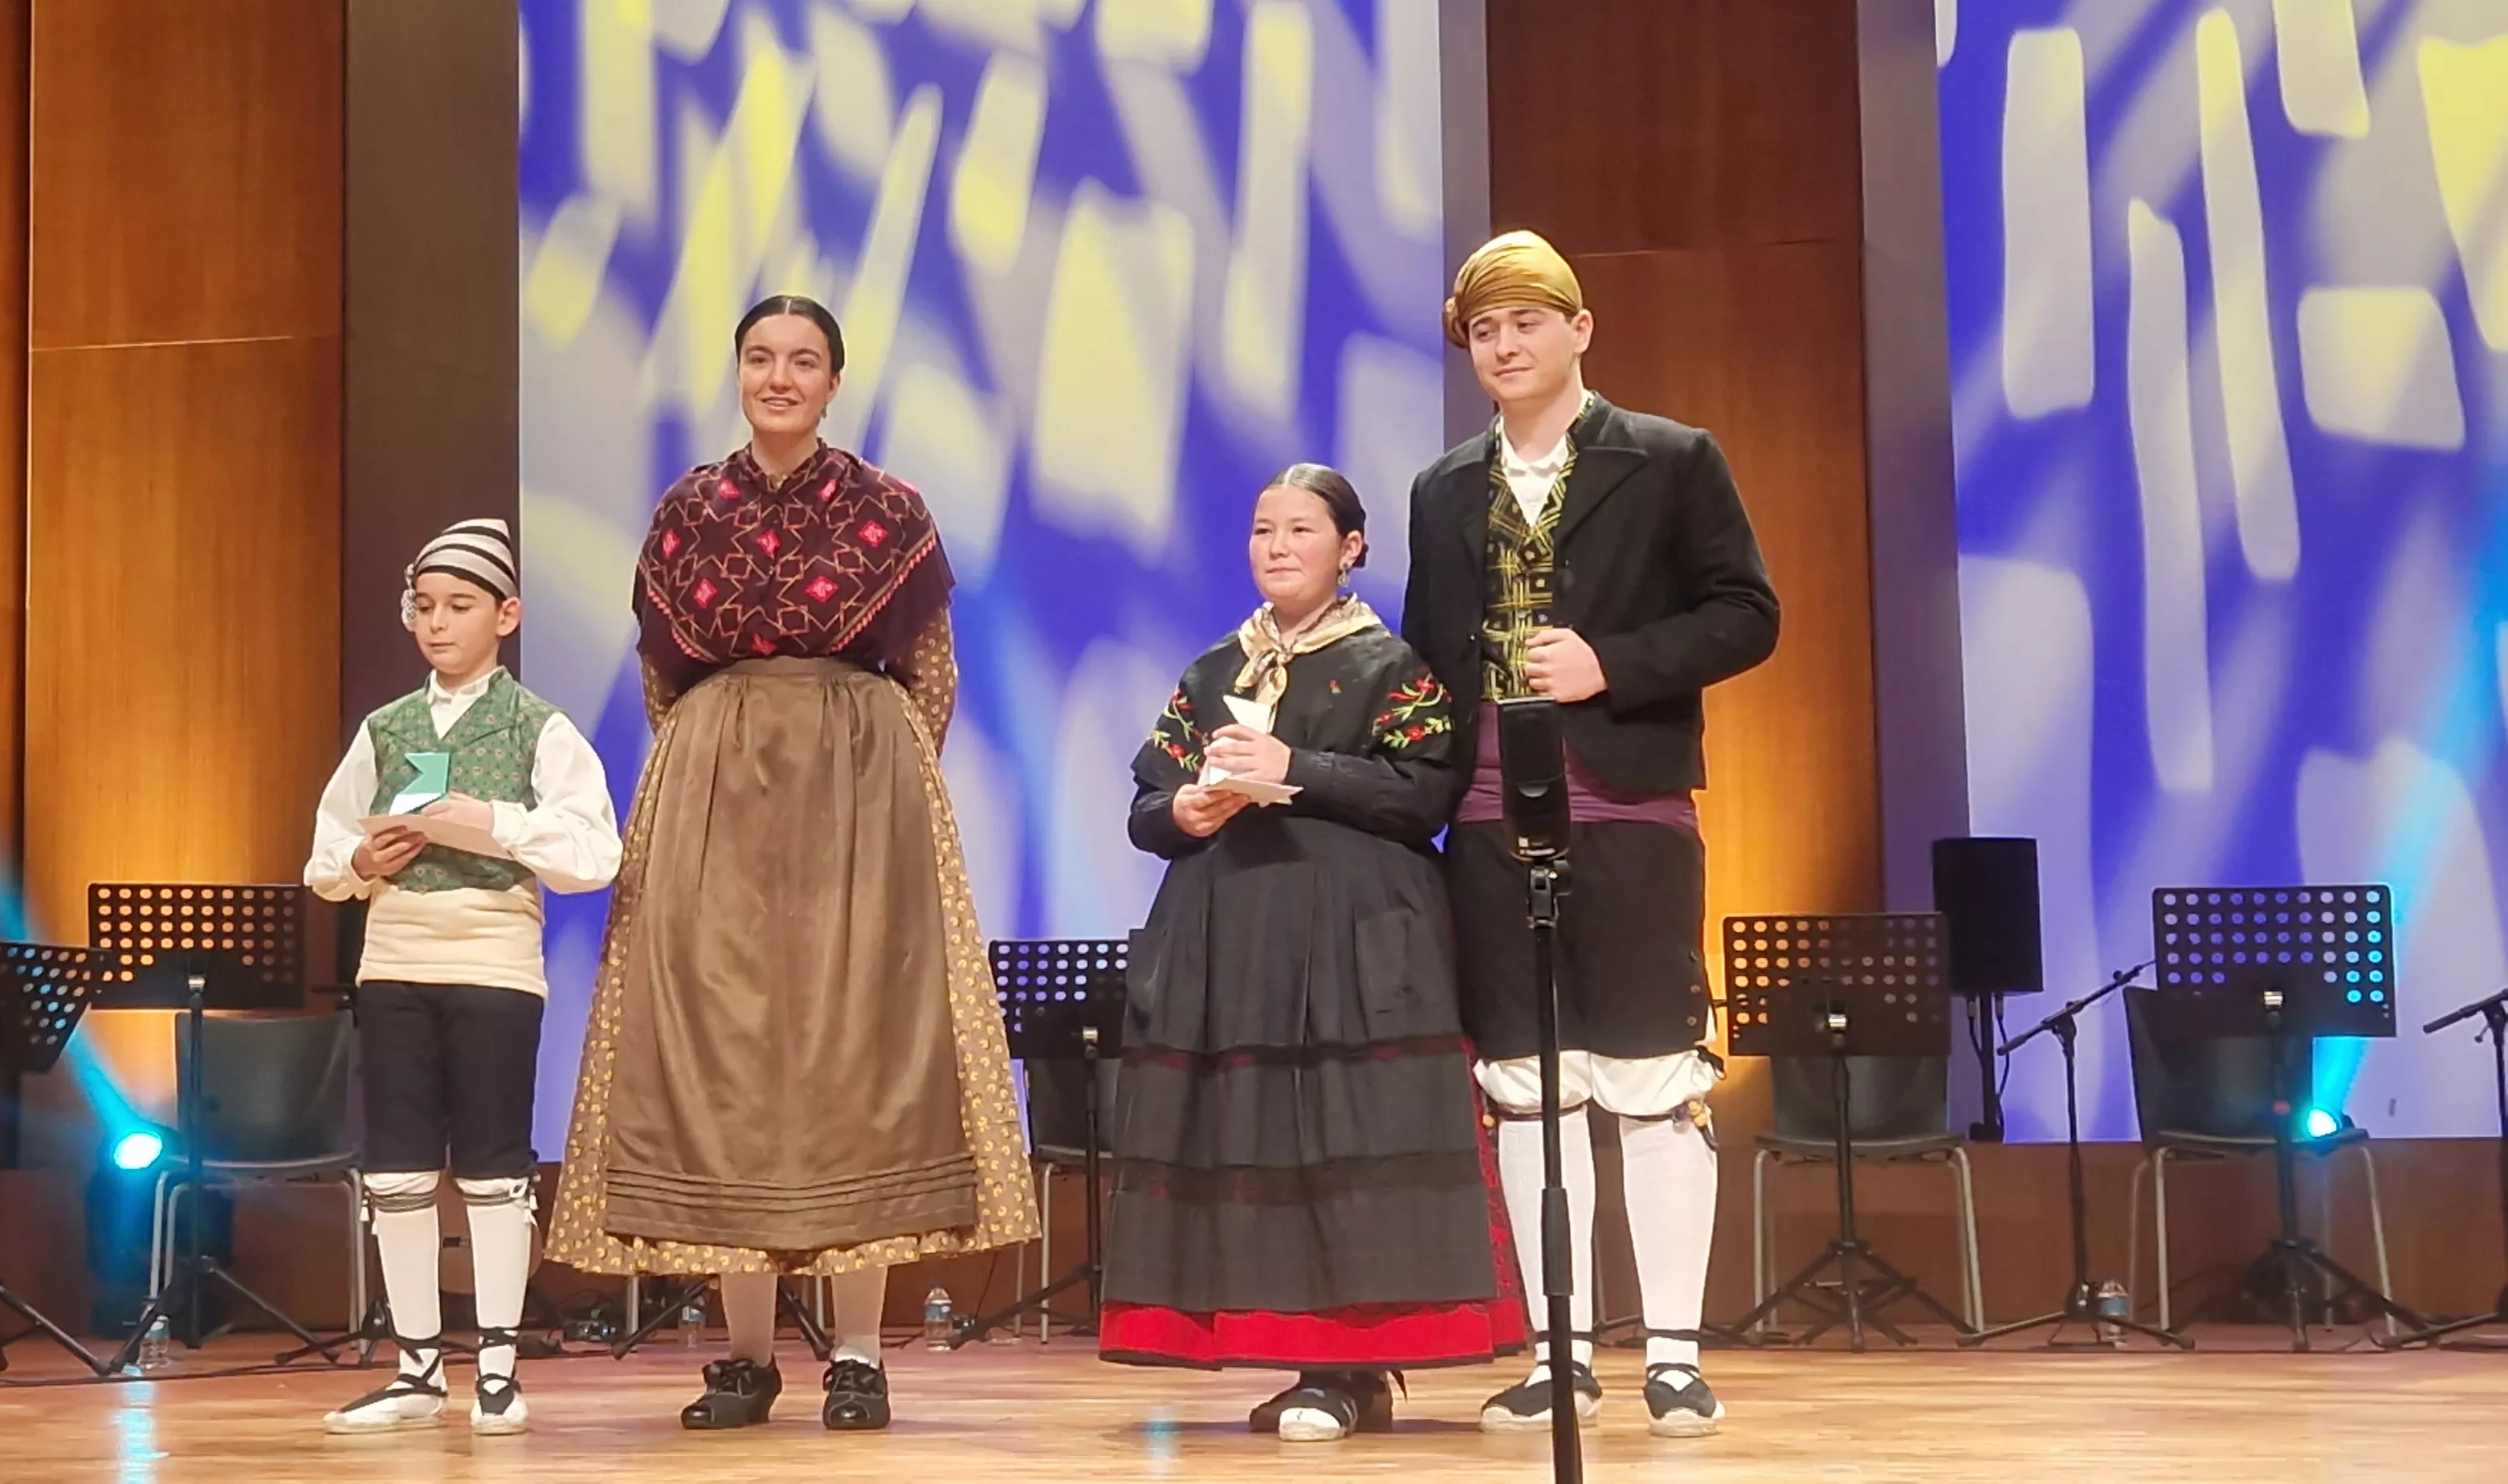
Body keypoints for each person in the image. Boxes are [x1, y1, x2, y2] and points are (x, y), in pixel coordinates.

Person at [543, 294, 1037, 1433]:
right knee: (725, 1057)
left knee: (856, 1054)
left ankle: (857, 1355)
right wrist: (710, 771)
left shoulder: (888, 509)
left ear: (833, 381)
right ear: (737, 373)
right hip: (715, 791)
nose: (779, 377)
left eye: (803, 360)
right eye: (761, 357)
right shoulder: (686, 511)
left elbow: (932, 674)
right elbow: (662, 679)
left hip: (861, 791)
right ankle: (746, 1356)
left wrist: (879, 783)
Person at [1400, 230, 1780, 1439]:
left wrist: (1610, 663)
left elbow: (1746, 613)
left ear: (1580, 329)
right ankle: (1557, 1353)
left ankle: (1672, 1353)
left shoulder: (1669, 458)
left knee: (1652, 1077)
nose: (1504, 346)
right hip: (1485, 811)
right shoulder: (1442, 487)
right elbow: (1425, 655)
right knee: (1528, 1086)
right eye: (1483, 331)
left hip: (1627, 801)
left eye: (1526, 323)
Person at [1099, 465, 1527, 1441]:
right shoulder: (1214, 671)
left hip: (1353, 936)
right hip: (1232, 935)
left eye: (1301, 529)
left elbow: (1424, 794)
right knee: (1258, 1143)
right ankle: (1307, 1361)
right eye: (1263, 530)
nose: (1278, 546)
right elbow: (1144, 806)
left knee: (1347, 1140)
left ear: (1351, 547)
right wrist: (1183, 810)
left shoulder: (1390, 665)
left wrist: (1300, 769)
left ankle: (1351, 1365)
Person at [308, 519, 624, 1437]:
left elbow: (592, 854)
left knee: (492, 1168)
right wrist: (361, 859)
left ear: (506, 616)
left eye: (458, 606)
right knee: (397, 1167)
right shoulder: (387, 728)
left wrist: (494, 821)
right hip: (394, 960)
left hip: (492, 962)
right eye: (424, 607)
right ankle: (415, 1367)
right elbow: (326, 851)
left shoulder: (538, 727)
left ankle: (496, 1367)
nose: (438, 623)